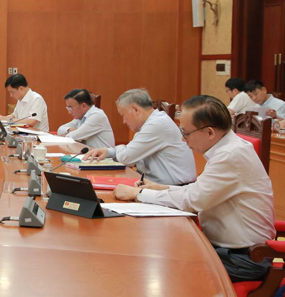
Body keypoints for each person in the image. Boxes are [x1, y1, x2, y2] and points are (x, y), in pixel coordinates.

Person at [114, 95, 275, 282]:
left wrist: (140, 194)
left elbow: (192, 200)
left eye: (186, 132)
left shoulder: (230, 155)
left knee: (158, 265)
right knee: (154, 250)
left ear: (209, 132)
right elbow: (198, 191)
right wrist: (159, 188)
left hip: (244, 258)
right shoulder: (227, 148)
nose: (183, 140)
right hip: (228, 250)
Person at [83, 88, 196, 185]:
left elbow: (126, 157)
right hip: (156, 186)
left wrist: (113, 151)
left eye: (123, 115)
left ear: (135, 109)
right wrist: (108, 151)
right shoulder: (150, 123)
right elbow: (130, 152)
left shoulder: (156, 124)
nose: (124, 121)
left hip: (172, 190)